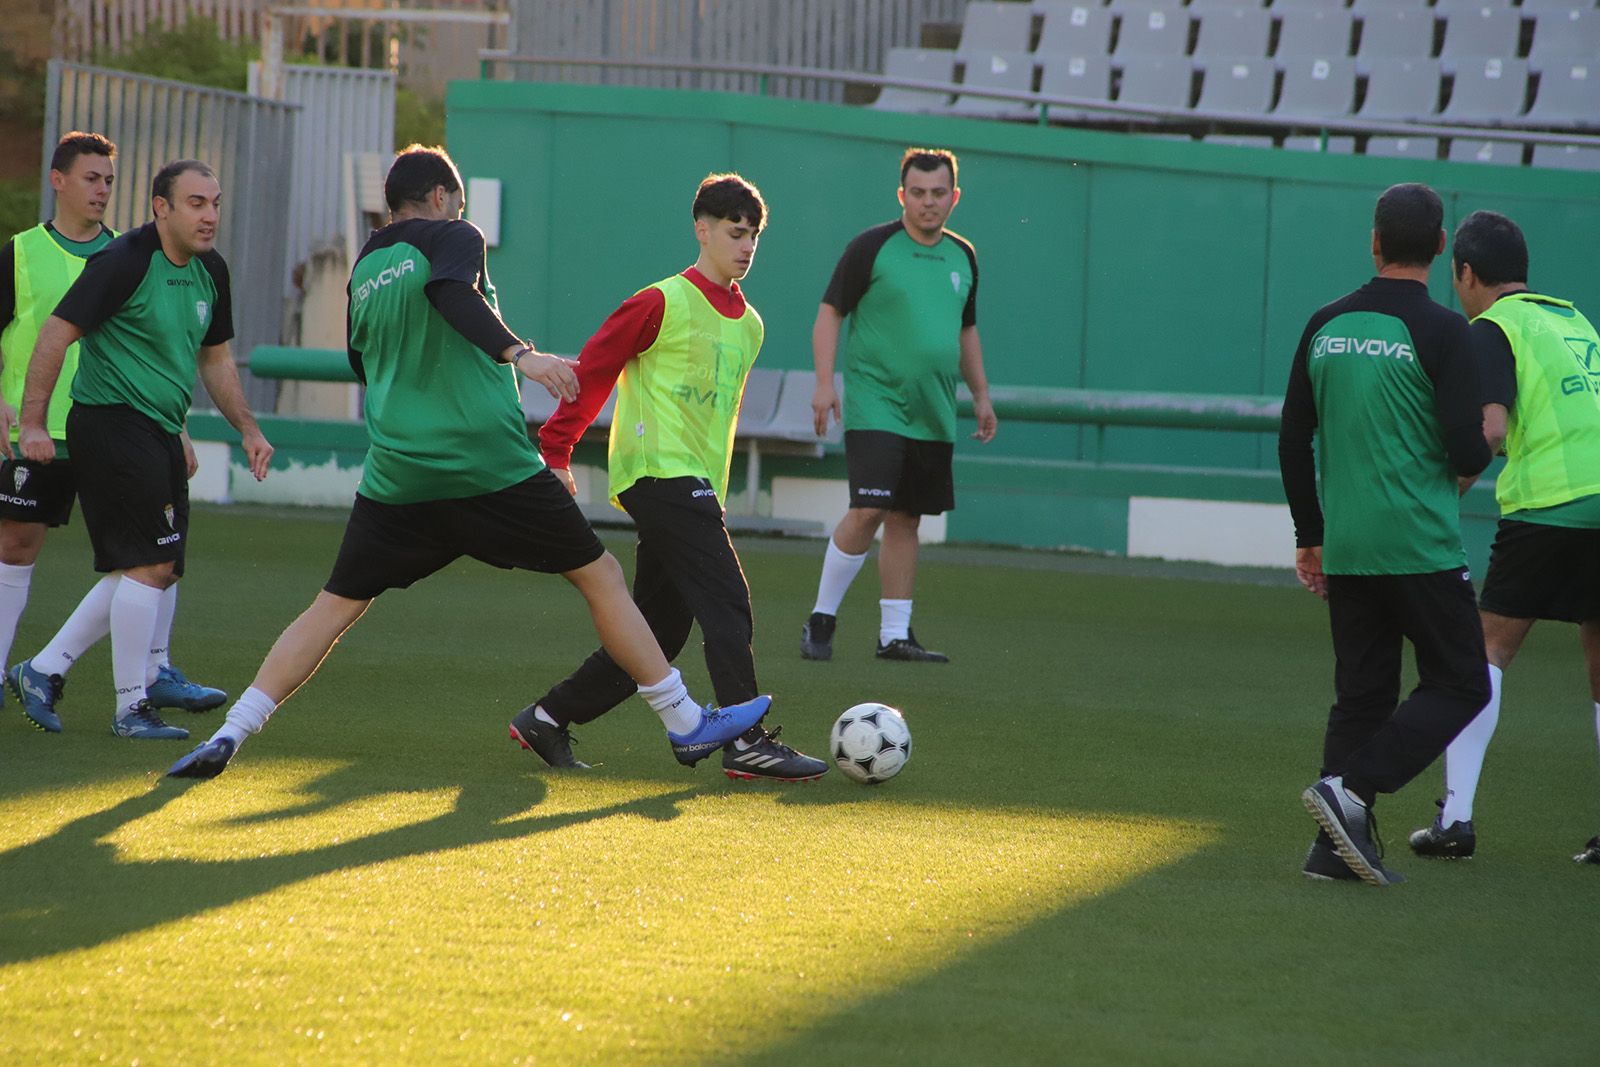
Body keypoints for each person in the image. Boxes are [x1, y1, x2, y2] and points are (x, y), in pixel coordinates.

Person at [166, 146, 769, 780]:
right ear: (440, 197)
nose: (460, 212)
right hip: (489, 465)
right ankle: (684, 720)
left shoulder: (367, 263)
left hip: (399, 474)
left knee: (333, 606)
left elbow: (360, 362)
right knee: (602, 577)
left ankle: (233, 731)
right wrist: (521, 355)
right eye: (457, 202)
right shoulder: (453, 235)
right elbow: (450, 290)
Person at [518, 173, 827, 781]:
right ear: (702, 229)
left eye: (754, 236)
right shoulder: (660, 301)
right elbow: (597, 369)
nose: (745, 246)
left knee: (658, 627)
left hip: (695, 487)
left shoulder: (751, 325)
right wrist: (556, 449)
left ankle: (548, 718)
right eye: (735, 233)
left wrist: (714, 497)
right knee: (728, 599)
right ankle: (746, 741)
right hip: (657, 473)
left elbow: (719, 420)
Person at [12, 158, 272, 741]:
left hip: (158, 428)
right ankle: (132, 706)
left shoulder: (211, 270)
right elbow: (56, 334)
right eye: (196, 203)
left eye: (215, 203)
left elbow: (214, 358)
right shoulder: (125, 261)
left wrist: (248, 430)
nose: (209, 216)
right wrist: (32, 424)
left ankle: (44, 669)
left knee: (158, 565)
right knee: (151, 564)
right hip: (109, 425)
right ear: (161, 207)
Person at [1278, 182, 1493, 887]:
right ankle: (1354, 788)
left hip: (1349, 545)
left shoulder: (1324, 324)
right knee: (1462, 681)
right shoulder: (1443, 332)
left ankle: (1329, 852)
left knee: (1363, 695)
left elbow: (1291, 439)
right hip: (1421, 545)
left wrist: (1310, 535)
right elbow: (1467, 452)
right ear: (1439, 246)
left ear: (1373, 241)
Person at [1407, 211, 1600, 867]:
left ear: (1465, 272)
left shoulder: (1492, 328)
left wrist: (1444, 491)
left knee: (1481, 653)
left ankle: (1455, 821)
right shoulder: (1573, 320)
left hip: (1552, 503)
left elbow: (1489, 428)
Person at [799, 147, 997, 665]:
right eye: (917, 193)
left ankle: (894, 637)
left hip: (933, 410)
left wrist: (980, 395)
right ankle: (821, 619)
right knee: (870, 508)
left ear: (954, 197)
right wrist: (825, 384)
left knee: (907, 517)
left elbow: (966, 330)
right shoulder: (872, 247)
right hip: (874, 402)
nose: (928, 203)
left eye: (938, 194)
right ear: (901, 194)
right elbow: (829, 312)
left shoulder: (963, 256)